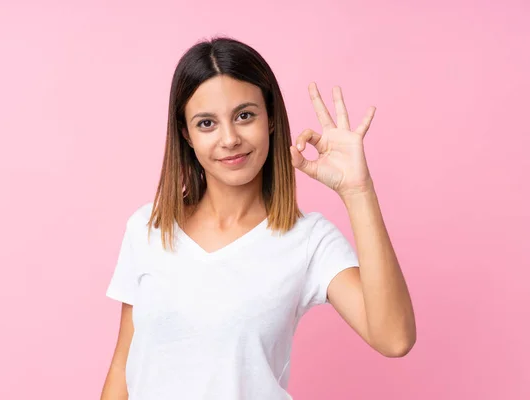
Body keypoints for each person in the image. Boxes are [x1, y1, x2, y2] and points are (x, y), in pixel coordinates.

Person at [100, 36, 416, 400]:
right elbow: (124, 366)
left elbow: (394, 337)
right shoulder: (147, 229)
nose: (230, 138)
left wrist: (358, 192)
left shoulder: (308, 240)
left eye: (244, 115)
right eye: (207, 123)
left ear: (270, 119)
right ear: (186, 134)